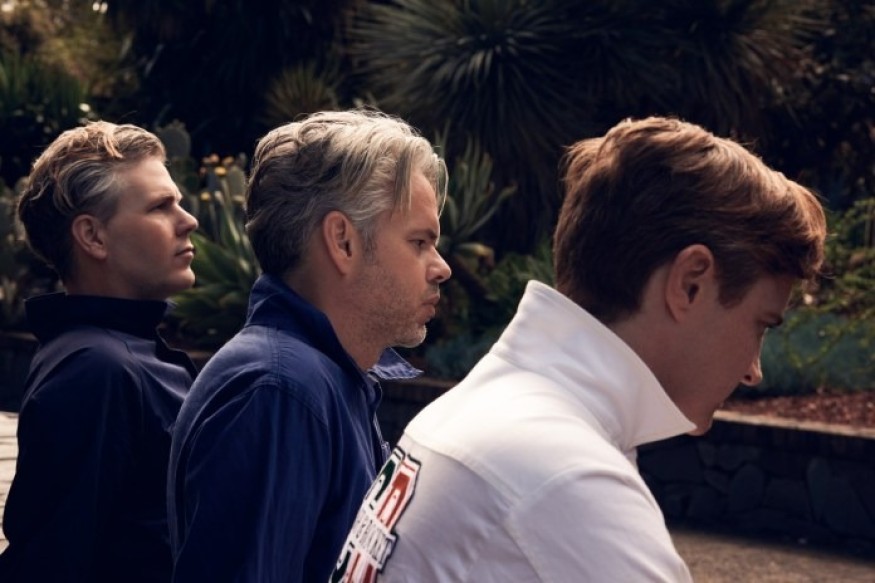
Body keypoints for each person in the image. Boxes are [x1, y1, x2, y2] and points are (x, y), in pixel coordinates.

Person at [331, 116, 827, 582]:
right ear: (690, 283)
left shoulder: (484, 412)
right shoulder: (566, 476)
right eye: (760, 325)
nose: (753, 371)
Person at [167, 109, 452, 582]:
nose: (441, 267)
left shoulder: (320, 380)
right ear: (343, 241)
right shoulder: (281, 392)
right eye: (419, 242)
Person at [0, 121, 200, 582]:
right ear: (93, 236)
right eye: (160, 206)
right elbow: (50, 564)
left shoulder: (113, 354)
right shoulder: (96, 370)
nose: (187, 220)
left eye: (178, 202)